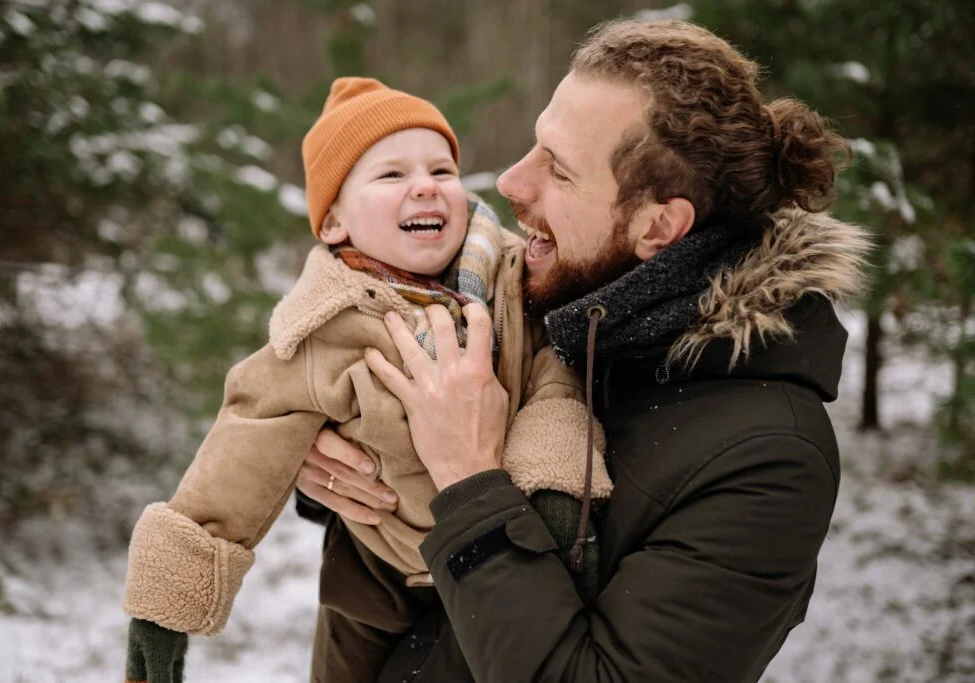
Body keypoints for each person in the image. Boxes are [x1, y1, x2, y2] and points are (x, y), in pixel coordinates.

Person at [298, 19, 872, 682]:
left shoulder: (769, 459)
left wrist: (467, 481)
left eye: (560, 171)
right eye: (536, 146)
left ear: (659, 224)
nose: (511, 182)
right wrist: (346, 461)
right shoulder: (544, 306)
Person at [120, 77, 612, 683]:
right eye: (391, 176)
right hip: (377, 576)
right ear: (333, 224)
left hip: (505, 551)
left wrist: (561, 498)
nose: (427, 186)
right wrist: (164, 607)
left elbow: (554, 384)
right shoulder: (324, 328)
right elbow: (240, 448)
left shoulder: (513, 284)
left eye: (442, 169)